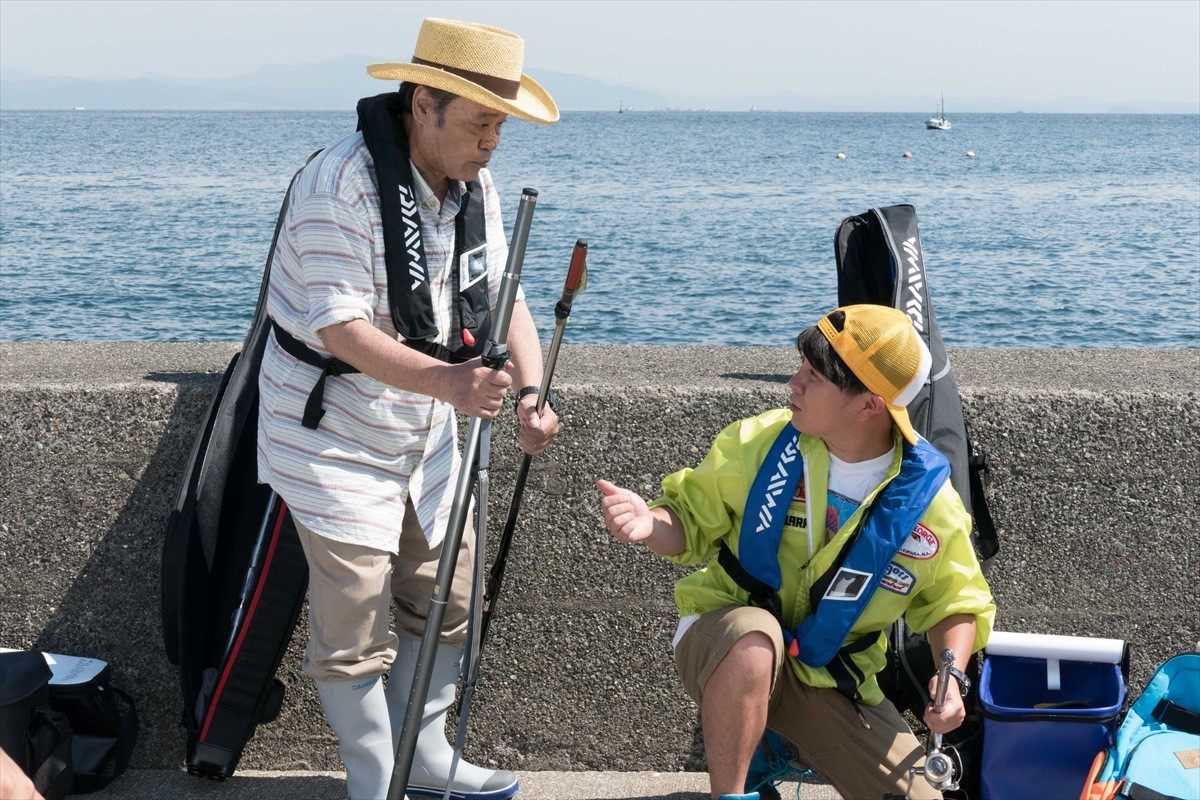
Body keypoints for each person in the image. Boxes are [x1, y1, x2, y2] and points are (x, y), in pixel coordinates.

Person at [256, 18, 560, 800]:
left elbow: (503, 292)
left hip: (424, 432)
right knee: (353, 621)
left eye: (502, 123)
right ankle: (372, 778)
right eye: (481, 121)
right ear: (423, 102)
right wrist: (455, 387)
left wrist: (531, 391)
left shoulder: (473, 185)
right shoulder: (339, 185)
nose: (494, 141)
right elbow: (339, 326)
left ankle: (422, 759)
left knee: (449, 596)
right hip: (331, 433)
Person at [598, 305, 996, 800]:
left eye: (813, 375)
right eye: (800, 367)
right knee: (754, 636)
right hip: (722, 641)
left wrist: (950, 676)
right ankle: (733, 792)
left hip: (829, 673)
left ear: (870, 405)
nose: (794, 382)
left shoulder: (929, 503)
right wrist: (650, 523)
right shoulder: (761, 442)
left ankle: (776, 742)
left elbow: (955, 602)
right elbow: (688, 523)